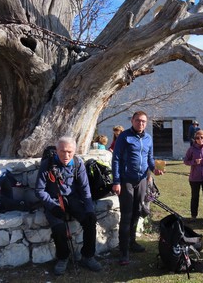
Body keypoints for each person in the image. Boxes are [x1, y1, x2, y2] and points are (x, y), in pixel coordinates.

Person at [35, 136, 102, 276]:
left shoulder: (78, 163)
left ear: (75, 151)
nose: (66, 155)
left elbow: (85, 189)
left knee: (90, 221)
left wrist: (89, 209)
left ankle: (88, 256)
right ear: (57, 150)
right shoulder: (47, 164)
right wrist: (52, 206)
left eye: (70, 152)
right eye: (62, 151)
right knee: (59, 228)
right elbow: (39, 190)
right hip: (53, 200)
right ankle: (63, 258)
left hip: (73, 199)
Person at [111, 111, 163, 266]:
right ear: (132, 121)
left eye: (144, 121)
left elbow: (149, 158)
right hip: (126, 180)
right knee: (126, 215)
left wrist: (155, 169)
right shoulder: (124, 137)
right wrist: (116, 181)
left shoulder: (148, 138)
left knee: (136, 213)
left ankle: (132, 243)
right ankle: (124, 251)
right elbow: (116, 159)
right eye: (138, 120)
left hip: (141, 181)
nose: (141, 123)